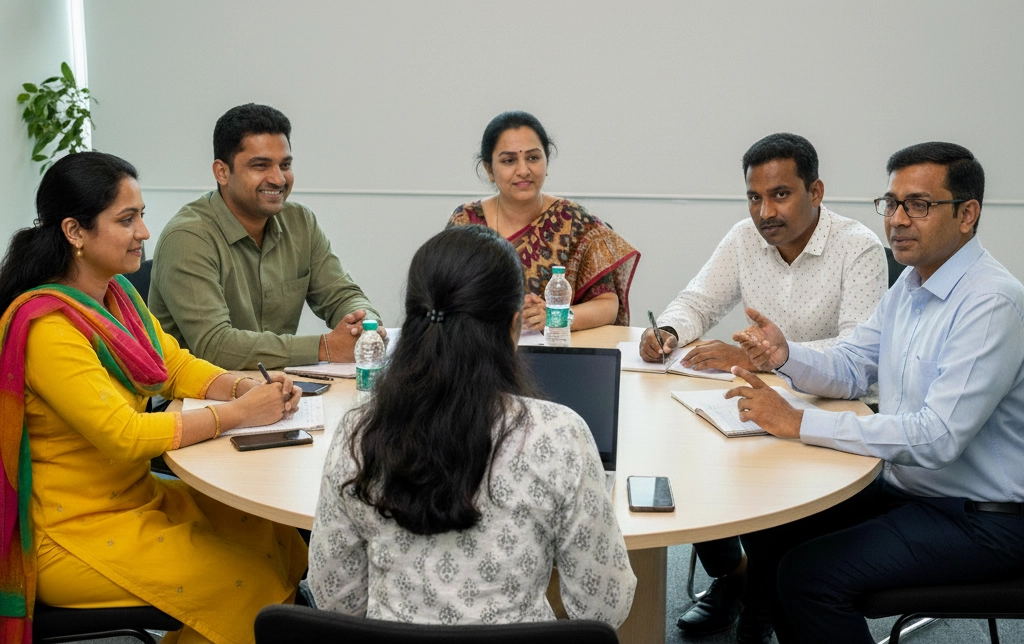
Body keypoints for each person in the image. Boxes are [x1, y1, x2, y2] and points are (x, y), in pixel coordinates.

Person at [0, 152, 308, 644]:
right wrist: (237, 415)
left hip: (136, 501)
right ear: (75, 232)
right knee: (247, 585)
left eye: (141, 215)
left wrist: (244, 386)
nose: (145, 232)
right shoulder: (49, 330)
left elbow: (175, 366)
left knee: (273, 535)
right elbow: (124, 436)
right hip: (72, 532)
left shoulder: (117, 295)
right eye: (128, 219)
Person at [727, 142, 1024, 643]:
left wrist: (800, 422)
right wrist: (784, 356)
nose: (898, 219)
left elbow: (936, 437)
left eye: (919, 205)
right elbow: (850, 365)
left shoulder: (991, 302)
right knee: (772, 529)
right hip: (912, 494)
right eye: (891, 204)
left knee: (810, 577)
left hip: (982, 519)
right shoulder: (909, 284)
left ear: (967, 214)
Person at [307, 226, 637, 626]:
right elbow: (604, 606)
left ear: (412, 320)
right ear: (514, 325)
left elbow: (335, 601)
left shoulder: (359, 432)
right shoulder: (559, 434)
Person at [639, 133, 887, 641]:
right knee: (685, 452)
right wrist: (667, 331)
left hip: (838, 412)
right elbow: (697, 301)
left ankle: (759, 606)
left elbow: (857, 353)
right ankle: (737, 578)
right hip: (762, 405)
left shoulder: (858, 248)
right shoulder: (743, 239)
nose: (764, 211)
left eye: (780, 194)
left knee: (765, 491)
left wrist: (766, 357)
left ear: (815, 191)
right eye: (754, 197)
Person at [149, 103, 382, 370]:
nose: (279, 179)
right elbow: (214, 346)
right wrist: (324, 347)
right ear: (222, 172)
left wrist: (365, 329)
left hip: (277, 387)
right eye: (261, 166)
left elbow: (342, 295)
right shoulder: (188, 237)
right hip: (198, 400)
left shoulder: (300, 222)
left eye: (285, 164)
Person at [446, 111, 640, 331]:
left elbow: (607, 305)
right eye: (509, 160)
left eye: (533, 158)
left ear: (546, 161)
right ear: (489, 169)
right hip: (477, 354)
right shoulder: (466, 222)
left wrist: (554, 316)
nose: (523, 170)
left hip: (555, 354)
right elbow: (442, 299)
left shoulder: (573, 222)